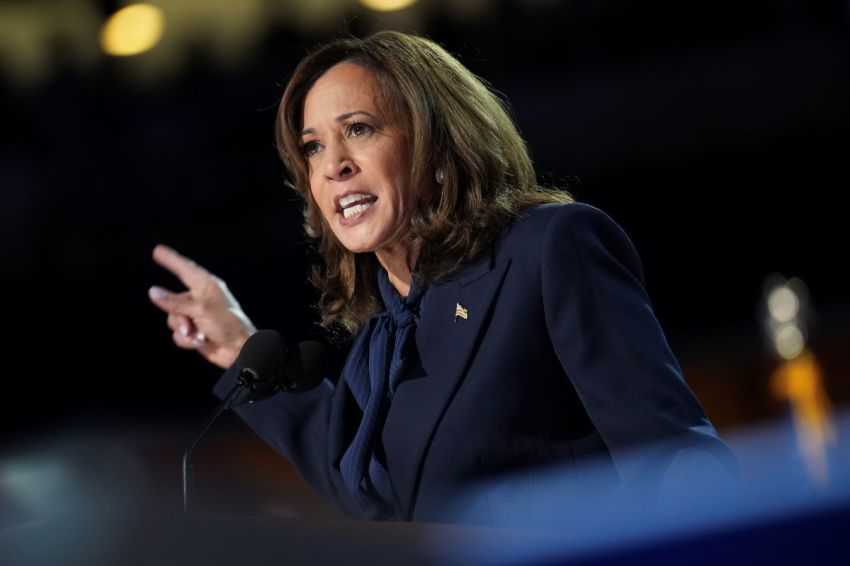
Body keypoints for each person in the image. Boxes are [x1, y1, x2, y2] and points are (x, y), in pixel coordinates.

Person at [149, 31, 736, 523]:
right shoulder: (383, 334)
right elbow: (366, 480)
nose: (333, 166)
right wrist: (235, 347)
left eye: (358, 129)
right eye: (312, 147)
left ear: (434, 141)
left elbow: (672, 458)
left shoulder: (548, 249)